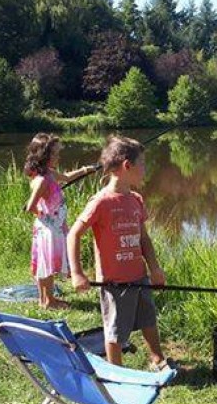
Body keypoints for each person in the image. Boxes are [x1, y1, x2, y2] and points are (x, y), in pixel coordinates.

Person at [68, 136, 173, 370]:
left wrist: (154, 268)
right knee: (114, 330)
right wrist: (77, 273)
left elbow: (144, 239)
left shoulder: (136, 200)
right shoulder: (101, 202)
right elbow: (73, 234)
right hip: (114, 282)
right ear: (127, 166)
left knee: (148, 318)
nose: (145, 169)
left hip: (139, 276)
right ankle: (116, 370)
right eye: (142, 164)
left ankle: (157, 358)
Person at [24, 133, 95, 309]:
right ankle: (49, 301)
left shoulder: (48, 173)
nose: (58, 156)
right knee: (46, 267)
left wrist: (86, 170)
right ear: (43, 156)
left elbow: (66, 177)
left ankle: (45, 300)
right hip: (49, 229)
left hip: (52, 228)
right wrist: (45, 216)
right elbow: (30, 206)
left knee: (44, 264)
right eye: (55, 154)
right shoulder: (42, 180)